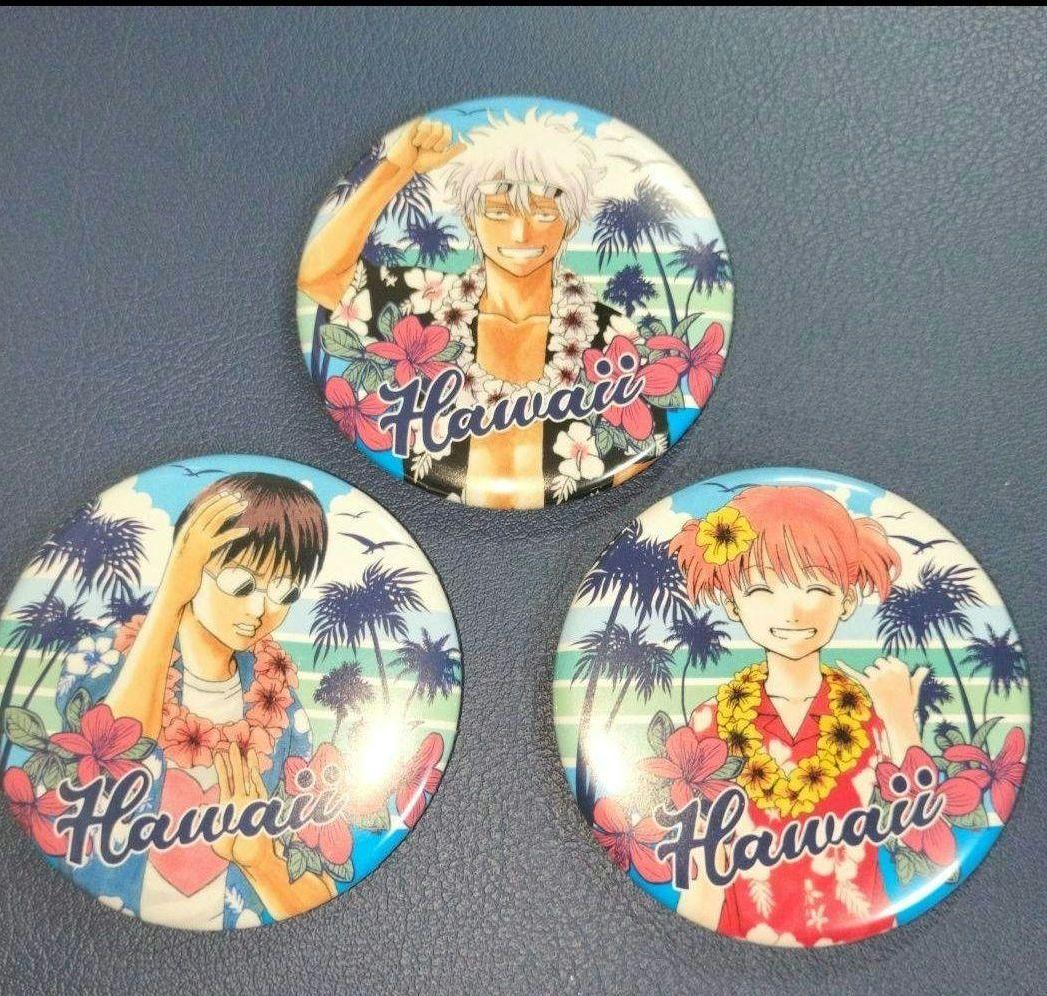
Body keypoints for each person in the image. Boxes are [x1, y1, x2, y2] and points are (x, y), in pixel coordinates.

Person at [298, 109, 669, 508]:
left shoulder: (614, 338)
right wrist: (396, 168)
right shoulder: (424, 309)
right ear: (470, 219)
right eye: (499, 211)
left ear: (571, 222)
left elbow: (642, 459)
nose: (520, 232)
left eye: (543, 212)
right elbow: (317, 276)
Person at [55, 473, 336, 929]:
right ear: (188, 567)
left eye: (284, 592)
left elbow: (318, 893)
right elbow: (111, 750)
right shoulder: (107, 658)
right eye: (241, 584)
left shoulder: (282, 711)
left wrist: (259, 860)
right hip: (87, 924)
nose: (259, 610)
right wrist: (170, 595)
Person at [666, 485, 927, 945]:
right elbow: (699, 869)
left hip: (867, 939)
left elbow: (927, 840)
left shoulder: (874, 714)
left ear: (847, 599)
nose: (791, 610)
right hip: (735, 942)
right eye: (761, 588)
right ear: (732, 602)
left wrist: (902, 724)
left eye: (817, 587)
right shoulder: (709, 724)